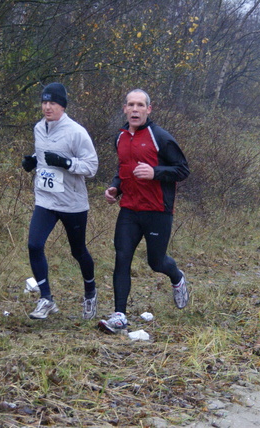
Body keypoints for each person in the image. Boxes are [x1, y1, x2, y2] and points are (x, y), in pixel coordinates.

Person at [98, 89, 190, 334]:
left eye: (140, 105)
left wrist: (155, 172)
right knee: (122, 257)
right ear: (125, 109)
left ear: (149, 109)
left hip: (157, 210)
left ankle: (177, 276)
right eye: (131, 105)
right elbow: (124, 168)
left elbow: (182, 170)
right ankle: (119, 316)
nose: (135, 109)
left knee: (156, 262)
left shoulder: (160, 136)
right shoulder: (119, 137)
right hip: (129, 209)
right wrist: (115, 188)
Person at [21, 82, 99, 320]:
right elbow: (45, 151)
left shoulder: (76, 132)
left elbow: (92, 166)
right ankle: (46, 298)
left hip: (72, 203)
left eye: (52, 103)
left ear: (62, 106)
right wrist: (34, 160)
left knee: (78, 251)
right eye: (44, 102)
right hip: (45, 200)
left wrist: (66, 163)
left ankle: (90, 293)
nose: (47, 107)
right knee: (34, 245)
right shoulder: (38, 128)